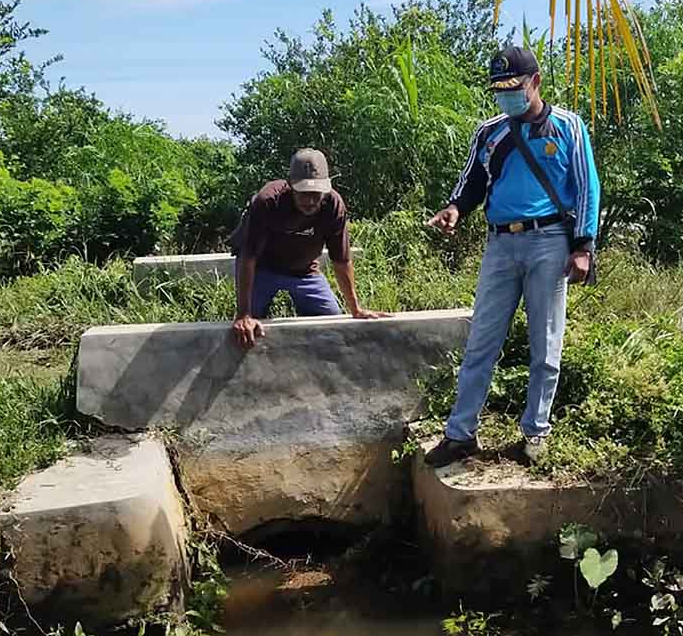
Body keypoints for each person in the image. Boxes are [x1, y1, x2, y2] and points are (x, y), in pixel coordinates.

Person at [423, 46, 600, 468]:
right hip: (501, 244)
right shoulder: (490, 132)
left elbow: (588, 189)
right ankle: (460, 434)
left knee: (545, 343)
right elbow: (472, 183)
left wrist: (583, 248)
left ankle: (536, 433)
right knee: (482, 340)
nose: (507, 97)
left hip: (549, 242)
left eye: (513, 88)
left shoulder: (568, 127)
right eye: (499, 90)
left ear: (535, 82)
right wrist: (454, 209)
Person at [231, 148, 385, 349]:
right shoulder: (268, 201)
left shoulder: (333, 205)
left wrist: (355, 308)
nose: (310, 201)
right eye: (303, 193)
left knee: (331, 323)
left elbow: (341, 260)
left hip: (305, 271)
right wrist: (244, 314)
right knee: (247, 327)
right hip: (263, 269)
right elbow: (247, 256)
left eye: (316, 193)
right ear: (291, 186)